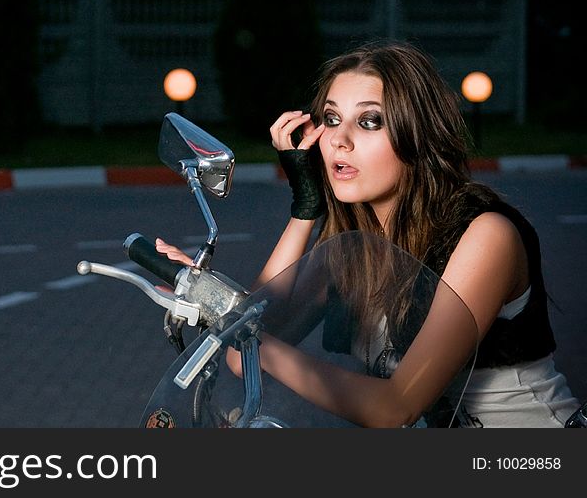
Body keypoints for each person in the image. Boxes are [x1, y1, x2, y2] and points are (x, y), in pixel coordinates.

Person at [156, 40, 581, 428]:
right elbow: (244, 354)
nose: (340, 140)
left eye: (370, 121)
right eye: (331, 118)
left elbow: (396, 406)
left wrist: (252, 339)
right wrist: (305, 209)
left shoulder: (486, 236)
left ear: (417, 133)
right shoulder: (352, 250)